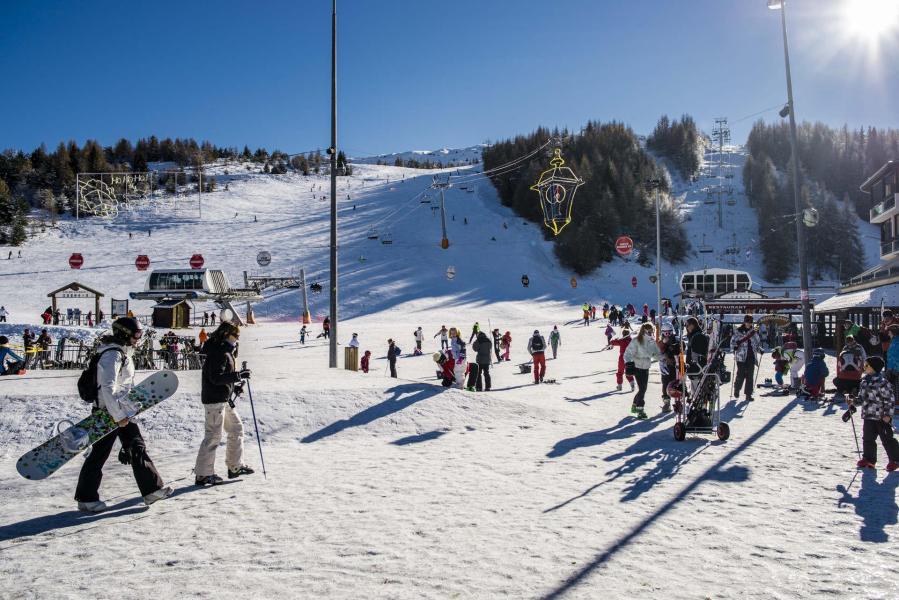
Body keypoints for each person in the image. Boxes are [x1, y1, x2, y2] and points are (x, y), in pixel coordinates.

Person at [74, 317, 172, 512]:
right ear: (124, 333)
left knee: (136, 446)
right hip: (109, 412)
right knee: (100, 454)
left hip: (120, 410)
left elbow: (123, 385)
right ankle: (86, 499)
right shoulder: (112, 355)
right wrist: (118, 416)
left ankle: (152, 489)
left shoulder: (120, 353)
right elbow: (107, 388)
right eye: (136, 334)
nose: (139, 338)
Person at [195, 321, 254, 486]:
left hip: (222, 399)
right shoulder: (219, 352)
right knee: (213, 436)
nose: (237, 339)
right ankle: (203, 474)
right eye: (236, 335)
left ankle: (235, 466)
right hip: (215, 401)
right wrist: (237, 376)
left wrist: (233, 387)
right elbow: (215, 377)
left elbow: (221, 377)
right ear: (226, 334)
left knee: (236, 429)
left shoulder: (224, 351)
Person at [850, 356, 899, 471]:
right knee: (868, 438)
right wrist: (853, 401)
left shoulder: (882, 382)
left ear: (874, 368)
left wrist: (888, 414)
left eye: (867, 365)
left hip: (881, 416)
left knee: (887, 439)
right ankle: (869, 459)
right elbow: (862, 398)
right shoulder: (864, 381)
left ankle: (895, 459)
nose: (864, 367)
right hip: (868, 415)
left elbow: (890, 399)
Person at [624, 322, 660, 419]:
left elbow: (656, 353)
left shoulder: (651, 341)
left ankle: (634, 405)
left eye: (652, 331)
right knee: (643, 389)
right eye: (649, 331)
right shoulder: (637, 341)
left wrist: (662, 357)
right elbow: (627, 353)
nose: (651, 333)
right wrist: (628, 363)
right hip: (637, 367)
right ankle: (640, 410)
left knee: (642, 389)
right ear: (644, 331)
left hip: (646, 367)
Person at [732, 315, 761, 401]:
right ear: (744, 322)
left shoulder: (754, 332)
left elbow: (757, 343)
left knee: (750, 375)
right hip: (741, 356)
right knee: (741, 374)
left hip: (751, 356)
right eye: (747, 322)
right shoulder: (738, 331)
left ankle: (748, 394)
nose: (748, 324)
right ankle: (737, 388)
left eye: (750, 322)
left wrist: (760, 350)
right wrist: (734, 347)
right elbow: (732, 342)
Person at [833, 335, 866, 401]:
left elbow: (864, 357)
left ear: (853, 340)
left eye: (850, 341)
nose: (849, 343)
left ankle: (847, 389)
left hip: (854, 370)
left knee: (840, 380)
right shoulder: (846, 348)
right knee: (839, 380)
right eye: (848, 342)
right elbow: (841, 358)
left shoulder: (858, 347)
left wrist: (862, 365)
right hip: (848, 371)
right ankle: (850, 389)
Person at [658, 324, 680, 412]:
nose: (668, 335)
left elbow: (681, 349)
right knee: (665, 384)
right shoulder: (661, 342)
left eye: (669, 333)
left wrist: (676, 347)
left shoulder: (676, 340)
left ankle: (678, 402)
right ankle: (667, 403)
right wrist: (664, 343)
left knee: (677, 383)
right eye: (666, 333)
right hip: (665, 366)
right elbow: (659, 350)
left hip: (676, 365)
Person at [608, 327, 635, 392]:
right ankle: (632, 385)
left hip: (622, 358)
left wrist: (615, 339)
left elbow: (612, 342)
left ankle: (619, 385)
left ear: (623, 334)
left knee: (620, 372)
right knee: (629, 372)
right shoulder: (632, 341)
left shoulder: (621, 341)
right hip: (630, 358)